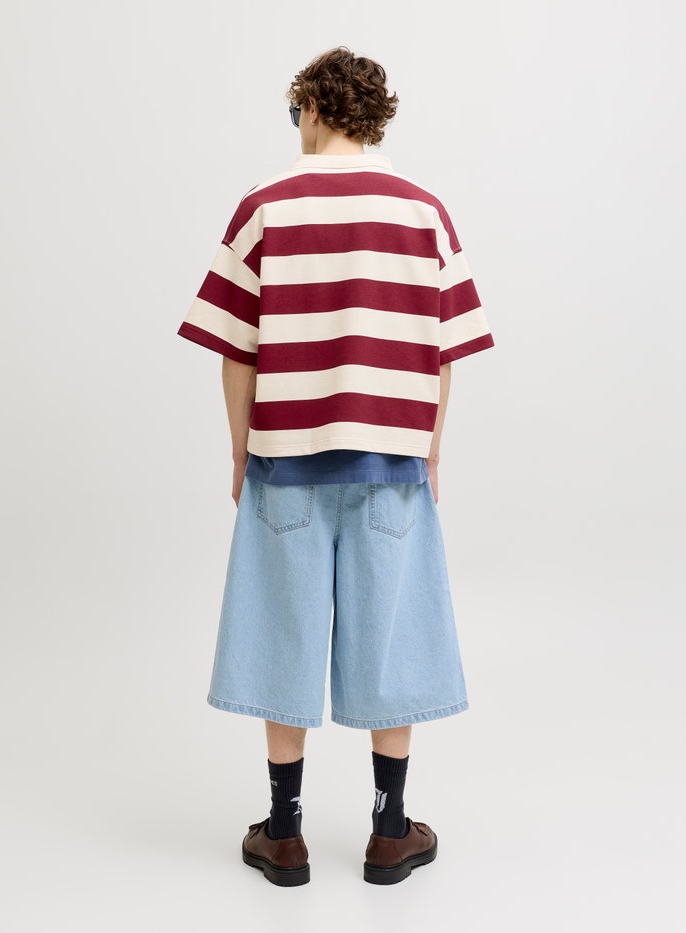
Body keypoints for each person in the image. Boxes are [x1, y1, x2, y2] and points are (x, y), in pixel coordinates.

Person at [178, 47, 494, 887]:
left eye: (297, 112)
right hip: (391, 461)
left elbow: (237, 351)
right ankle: (390, 830)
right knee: (392, 635)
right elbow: (442, 352)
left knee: (281, 631)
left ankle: (284, 832)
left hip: (286, 459)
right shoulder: (424, 210)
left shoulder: (265, 205)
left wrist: (240, 448)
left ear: (313, 108)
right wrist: (431, 448)